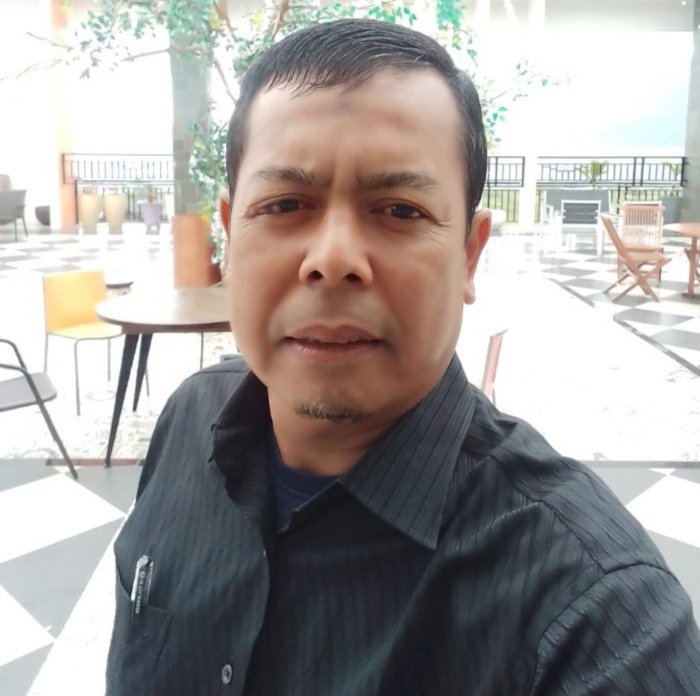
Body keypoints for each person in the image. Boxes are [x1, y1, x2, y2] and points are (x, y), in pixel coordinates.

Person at [106, 18, 700, 696]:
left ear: (469, 255)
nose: (332, 259)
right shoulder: (189, 420)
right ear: (230, 234)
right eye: (285, 204)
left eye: (399, 211)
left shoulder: (594, 617)